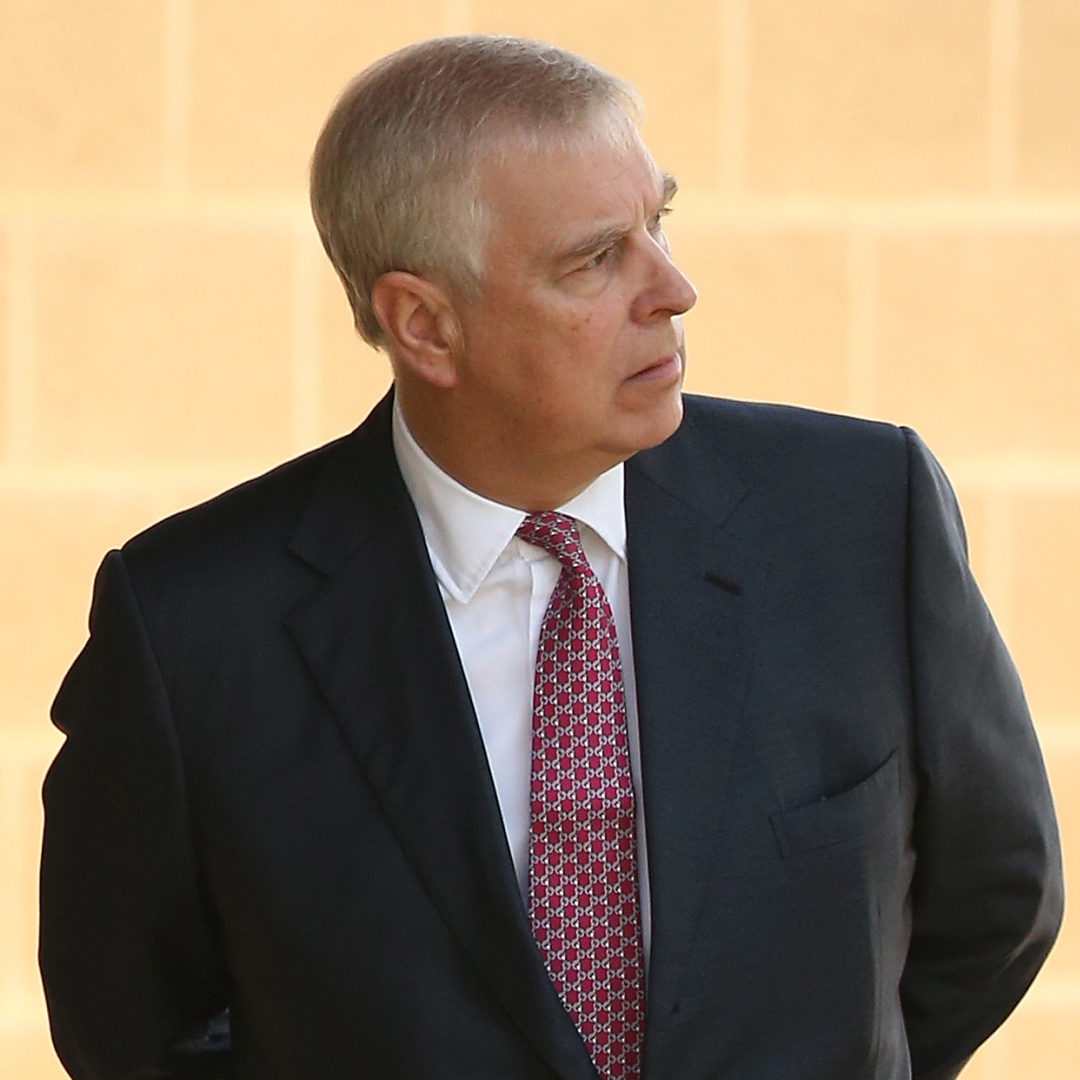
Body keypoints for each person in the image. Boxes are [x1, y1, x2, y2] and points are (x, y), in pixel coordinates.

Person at [39, 35, 1062, 1080]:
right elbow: (132, 1027)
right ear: (425, 326)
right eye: (595, 258)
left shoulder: (860, 516)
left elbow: (997, 901)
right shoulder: (191, 626)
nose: (672, 289)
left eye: (659, 224)